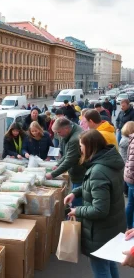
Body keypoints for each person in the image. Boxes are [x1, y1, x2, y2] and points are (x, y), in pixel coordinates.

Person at [64, 130, 126, 278]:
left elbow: (99, 210)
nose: (80, 149)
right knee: (110, 264)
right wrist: (76, 192)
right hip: (113, 226)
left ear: (90, 146)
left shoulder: (98, 170)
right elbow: (94, 186)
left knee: (101, 270)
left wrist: (77, 211)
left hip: (100, 232)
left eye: (81, 145)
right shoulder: (109, 161)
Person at [45, 118, 86, 207]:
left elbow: (69, 160)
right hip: (78, 172)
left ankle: (76, 218)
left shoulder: (74, 139)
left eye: (58, 132)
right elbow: (67, 154)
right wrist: (58, 164)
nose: (57, 135)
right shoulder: (71, 131)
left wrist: (52, 174)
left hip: (80, 173)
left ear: (66, 129)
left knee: (77, 200)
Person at [119, 121, 134, 198]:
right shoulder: (128, 140)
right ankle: (125, 191)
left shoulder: (124, 138)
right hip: (127, 163)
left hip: (125, 162)